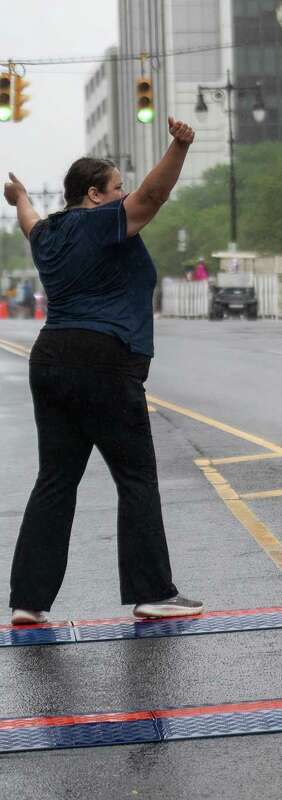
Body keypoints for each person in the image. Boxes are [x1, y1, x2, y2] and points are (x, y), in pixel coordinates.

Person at [3, 119, 205, 625]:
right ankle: (152, 591)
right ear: (95, 196)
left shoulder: (47, 233)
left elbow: (27, 217)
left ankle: (29, 601)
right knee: (135, 476)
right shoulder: (103, 222)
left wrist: (21, 195)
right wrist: (179, 146)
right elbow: (155, 195)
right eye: (117, 189)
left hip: (50, 360)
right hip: (105, 359)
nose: (126, 196)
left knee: (56, 479)